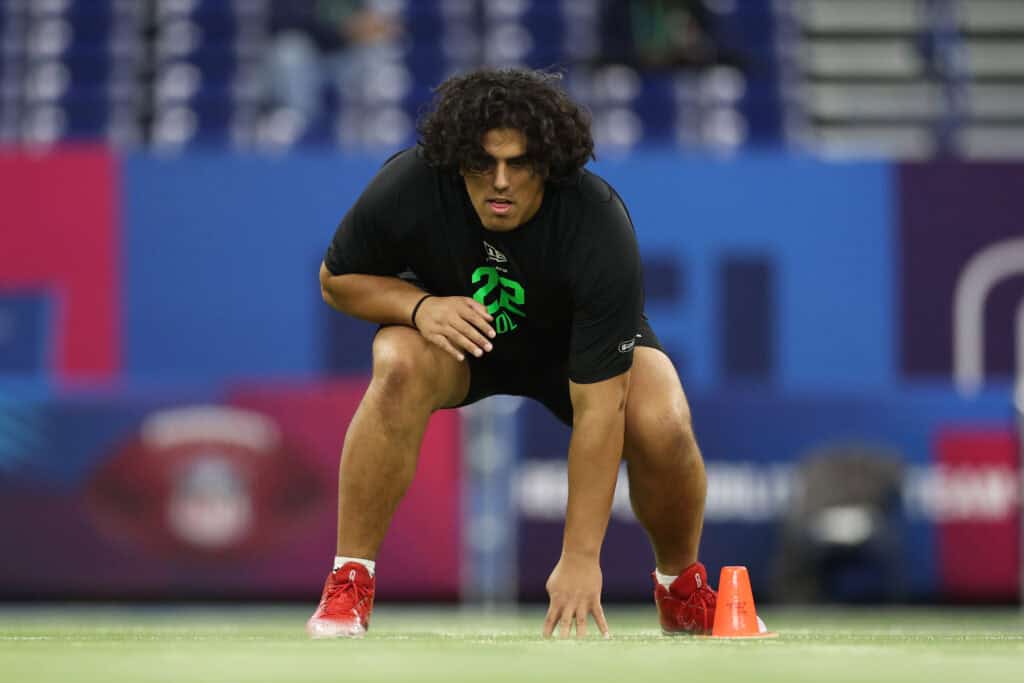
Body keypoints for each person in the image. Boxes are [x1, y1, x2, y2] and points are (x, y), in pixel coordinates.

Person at [308, 67, 715, 639]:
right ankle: (349, 581)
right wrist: (421, 307)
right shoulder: (411, 183)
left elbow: (601, 412)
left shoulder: (597, 221)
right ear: (456, 160)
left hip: (572, 352)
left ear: (546, 164)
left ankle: (681, 590)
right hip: (459, 344)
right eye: (482, 163)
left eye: (518, 164)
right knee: (397, 359)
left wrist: (580, 558)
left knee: (663, 417)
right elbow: (337, 280)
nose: (500, 181)